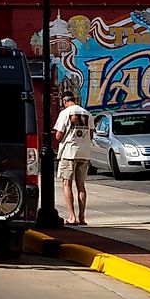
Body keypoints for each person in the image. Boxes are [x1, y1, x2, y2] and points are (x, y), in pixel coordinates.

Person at [53, 92, 94, 224]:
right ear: (74, 99)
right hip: (84, 152)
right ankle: (82, 217)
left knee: (67, 184)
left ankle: (72, 217)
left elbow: (58, 136)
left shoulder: (65, 113)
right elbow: (91, 135)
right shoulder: (88, 114)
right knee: (81, 186)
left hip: (69, 152)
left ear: (64, 101)